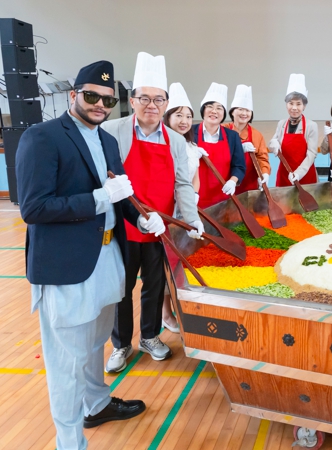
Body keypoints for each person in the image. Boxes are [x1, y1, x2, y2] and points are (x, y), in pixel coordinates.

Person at [15, 60, 165, 449]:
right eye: (92, 96)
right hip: (68, 267)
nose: (100, 104)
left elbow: (120, 194)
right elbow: (34, 208)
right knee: (67, 361)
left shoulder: (107, 141)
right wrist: (100, 198)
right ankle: (70, 442)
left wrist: (140, 217)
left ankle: (96, 405)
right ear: (74, 95)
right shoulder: (43, 137)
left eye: (107, 100)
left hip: (108, 258)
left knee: (97, 342)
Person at [102, 52, 203, 372]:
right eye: (144, 98)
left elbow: (182, 184)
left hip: (160, 227)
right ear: (132, 101)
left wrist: (192, 219)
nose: (151, 105)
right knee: (121, 288)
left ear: (165, 103)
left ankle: (149, 337)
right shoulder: (112, 130)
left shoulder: (175, 140)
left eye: (158, 99)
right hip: (122, 226)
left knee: (155, 286)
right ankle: (120, 344)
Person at [160, 82, 205, 333]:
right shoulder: (161, 143)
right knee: (163, 263)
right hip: (165, 212)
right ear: (167, 117)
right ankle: (165, 313)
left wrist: (193, 197)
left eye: (188, 116)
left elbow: (194, 176)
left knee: (180, 262)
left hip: (185, 212)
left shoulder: (191, 147)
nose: (184, 120)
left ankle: (182, 308)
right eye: (178, 115)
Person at [194, 82, 246, 206]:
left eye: (219, 108)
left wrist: (233, 181)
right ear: (203, 110)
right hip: (193, 197)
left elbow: (239, 166)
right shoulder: (189, 133)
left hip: (223, 198)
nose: (214, 111)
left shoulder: (232, 136)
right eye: (210, 107)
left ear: (223, 113)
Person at [268, 74, 319, 186]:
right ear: (286, 105)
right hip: (284, 175)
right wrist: (273, 143)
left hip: (305, 176)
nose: (294, 108)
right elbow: (272, 144)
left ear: (304, 106)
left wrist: (299, 173)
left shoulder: (311, 126)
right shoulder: (281, 124)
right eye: (291, 103)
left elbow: (311, 154)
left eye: (298, 104)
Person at [223, 84, 272, 192]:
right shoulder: (223, 130)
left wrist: (264, 173)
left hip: (249, 186)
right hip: (226, 183)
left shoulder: (256, 135)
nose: (244, 113)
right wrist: (239, 148)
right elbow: (218, 152)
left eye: (248, 110)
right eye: (240, 109)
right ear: (232, 111)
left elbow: (262, 159)